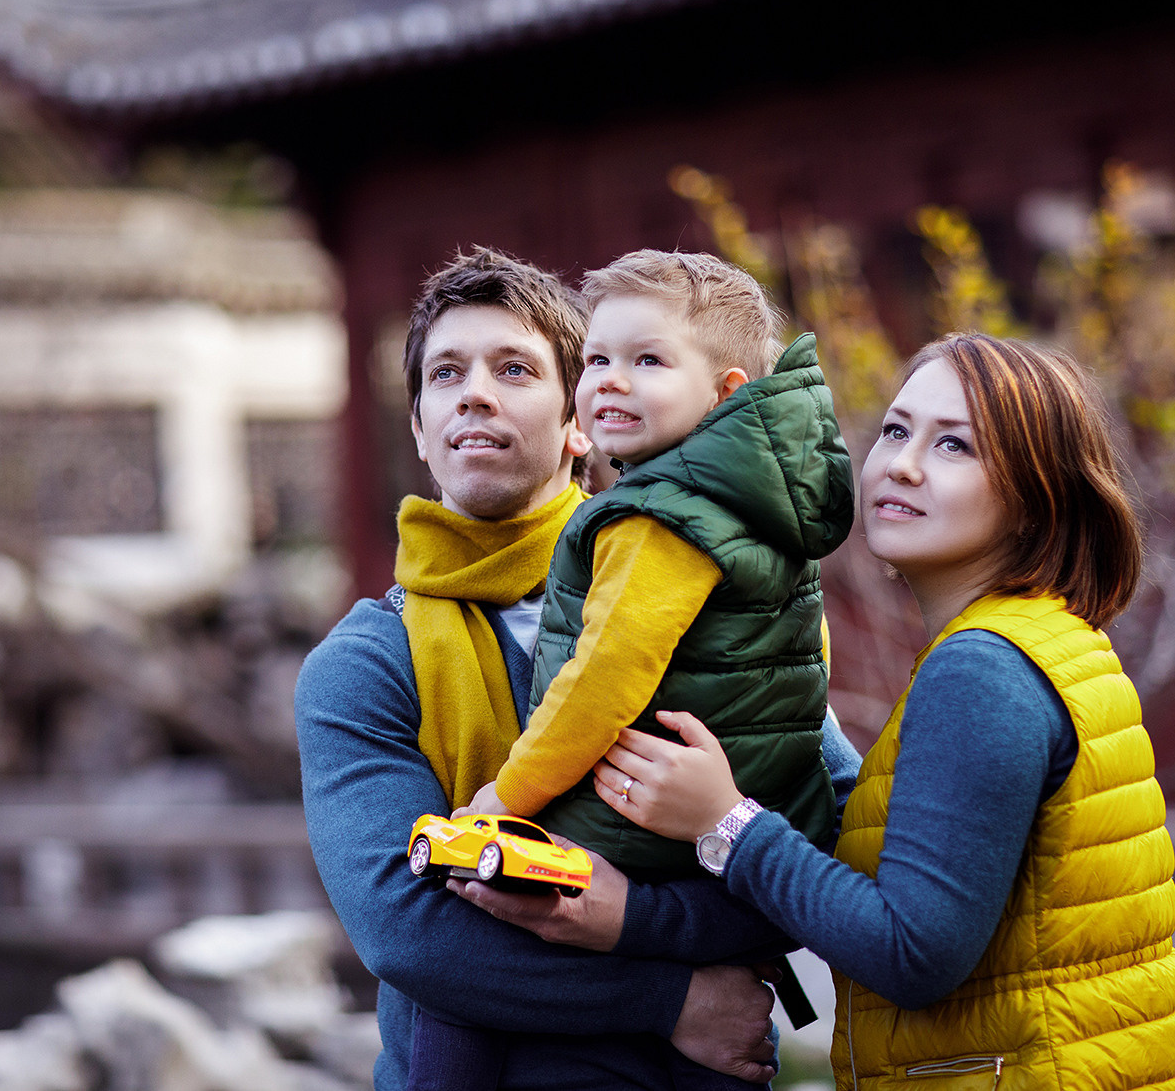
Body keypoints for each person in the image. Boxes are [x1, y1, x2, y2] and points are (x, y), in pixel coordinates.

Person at [473, 333, 1175, 1088]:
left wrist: (725, 824)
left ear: (1035, 498)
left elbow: (912, 953)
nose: (903, 463)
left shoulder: (982, 672)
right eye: (896, 429)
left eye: (955, 445)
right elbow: (911, 850)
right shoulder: (1043, 641)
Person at [295, 246, 862, 1091]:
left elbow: (817, 825)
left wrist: (635, 917)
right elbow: (407, 931)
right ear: (418, 426)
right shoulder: (366, 663)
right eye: (445, 373)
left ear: (580, 420)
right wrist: (670, 996)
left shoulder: (712, 593)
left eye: (514, 368)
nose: (475, 391)